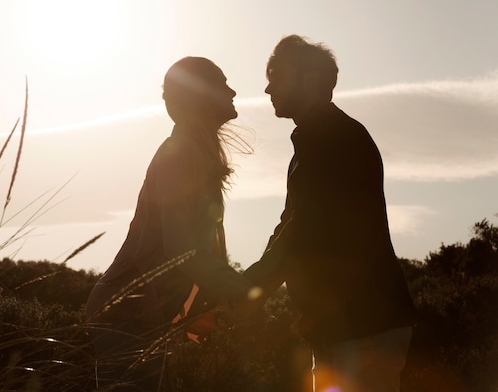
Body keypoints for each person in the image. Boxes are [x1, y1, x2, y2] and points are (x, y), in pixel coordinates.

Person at [241, 35, 418, 392]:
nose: (266, 87)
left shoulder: (336, 140)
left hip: (364, 327)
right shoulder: (312, 143)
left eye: (276, 75)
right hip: (342, 329)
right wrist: (249, 288)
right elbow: (290, 224)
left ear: (309, 79)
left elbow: (304, 229)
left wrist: (250, 291)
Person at [85, 57, 256, 392]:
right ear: (201, 95)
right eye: (223, 84)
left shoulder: (193, 151)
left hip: (138, 316)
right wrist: (241, 292)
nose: (233, 90)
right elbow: (181, 247)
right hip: (126, 315)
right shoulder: (180, 154)